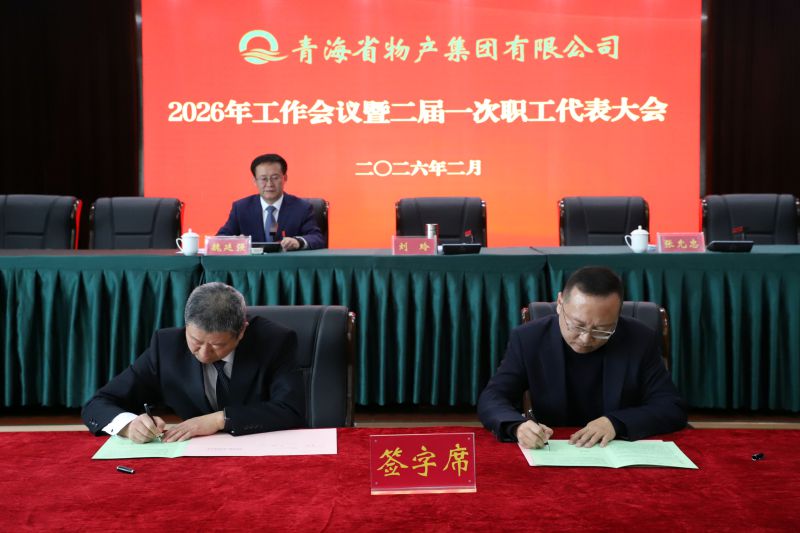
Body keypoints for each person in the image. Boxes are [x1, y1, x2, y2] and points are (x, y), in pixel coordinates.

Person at [478, 266, 686, 449]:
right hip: (555, 447)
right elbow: (493, 397)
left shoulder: (639, 339)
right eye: (577, 325)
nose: (586, 339)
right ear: (560, 303)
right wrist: (517, 426)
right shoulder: (529, 339)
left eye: (602, 330)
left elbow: (671, 406)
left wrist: (616, 422)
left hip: (616, 448)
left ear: (617, 315)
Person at [82, 282, 305, 443]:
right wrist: (129, 425)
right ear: (186, 325)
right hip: (195, 458)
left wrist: (220, 420)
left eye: (217, 345)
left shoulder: (274, 341)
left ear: (241, 332)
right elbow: (98, 403)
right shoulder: (166, 347)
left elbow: (291, 409)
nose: (204, 354)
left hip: (261, 448)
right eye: (196, 342)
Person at [217, 153, 325, 250]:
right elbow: (220, 238)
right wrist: (234, 241)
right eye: (263, 179)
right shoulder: (241, 208)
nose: (269, 184)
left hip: (288, 264)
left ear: (285, 178)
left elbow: (317, 238)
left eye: (275, 178)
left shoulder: (302, 208)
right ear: (255, 181)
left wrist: (298, 242)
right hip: (253, 264)